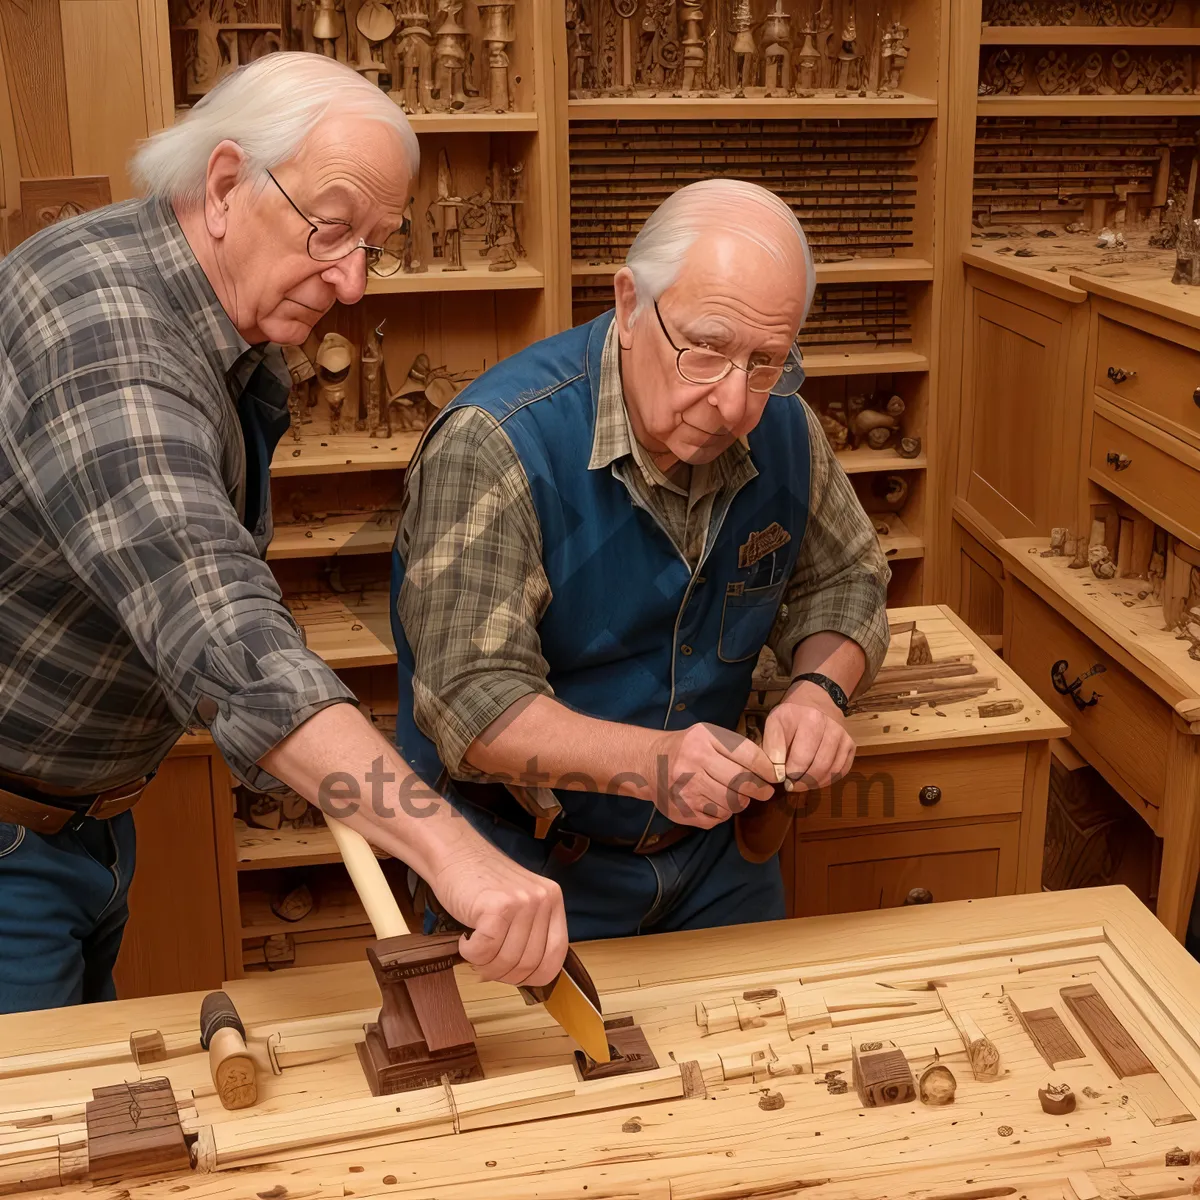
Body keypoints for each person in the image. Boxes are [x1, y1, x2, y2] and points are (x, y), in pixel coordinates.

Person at [0, 52, 566, 1014]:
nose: (351, 284)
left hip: (80, 819)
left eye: (374, 244)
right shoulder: (99, 330)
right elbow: (219, 623)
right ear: (225, 184)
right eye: (330, 228)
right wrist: (453, 851)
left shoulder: (225, 320)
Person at [392, 179, 890, 940]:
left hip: (719, 864)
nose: (736, 404)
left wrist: (819, 692)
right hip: (530, 871)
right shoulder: (496, 443)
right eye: (707, 352)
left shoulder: (781, 423)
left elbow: (848, 575)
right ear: (629, 305)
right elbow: (472, 700)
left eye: (767, 362)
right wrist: (654, 762)